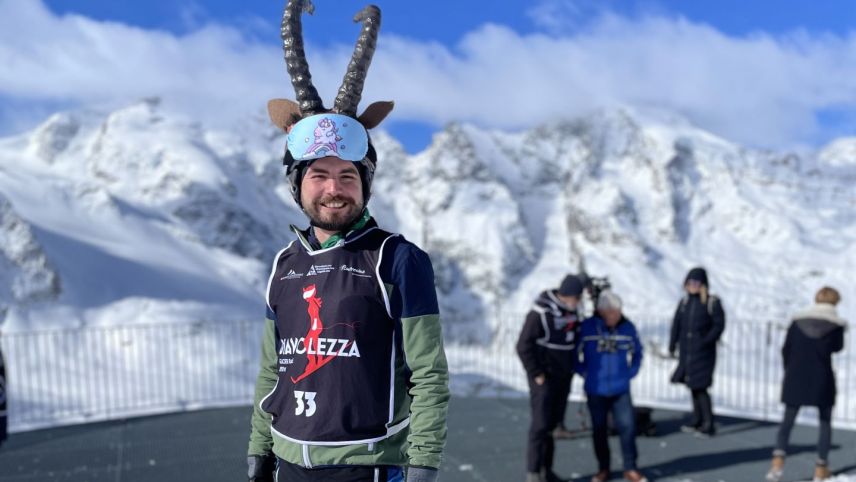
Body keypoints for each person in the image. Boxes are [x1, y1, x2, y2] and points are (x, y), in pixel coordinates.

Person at [247, 2, 449, 481]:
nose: (333, 189)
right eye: (318, 175)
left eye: (346, 175)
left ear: (365, 182)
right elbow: (271, 370)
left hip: (368, 468)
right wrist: (259, 447)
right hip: (289, 465)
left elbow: (428, 374)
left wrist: (422, 461)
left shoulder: (397, 259)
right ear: (297, 184)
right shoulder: (284, 264)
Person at [766, 287, 847, 482]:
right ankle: (821, 468)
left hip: (796, 375)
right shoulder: (835, 326)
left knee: (788, 421)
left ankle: (777, 463)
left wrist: (790, 369)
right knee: (825, 423)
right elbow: (837, 347)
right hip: (822, 376)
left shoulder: (797, 321)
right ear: (835, 303)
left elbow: (786, 348)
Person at [516, 274, 584, 482]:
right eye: (577, 298)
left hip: (563, 377)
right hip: (544, 378)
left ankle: (548, 470)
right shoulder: (540, 313)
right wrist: (536, 373)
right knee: (540, 424)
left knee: (553, 425)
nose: (579, 302)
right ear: (567, 295)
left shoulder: (572, 312)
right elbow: (523, 345)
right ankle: (534, 473)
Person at [576, 290, 646, 482]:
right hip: (595, 389)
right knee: (599, 430)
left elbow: (638, 352)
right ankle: (603, 469)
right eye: (609, 313)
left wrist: (630, 372)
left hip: (620, 389)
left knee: (628, 428)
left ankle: (630, 467)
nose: (614, 317)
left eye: (616, 312)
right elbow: (574, 353)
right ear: (600, 312)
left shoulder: (627, 328)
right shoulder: (587, 328)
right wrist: (583, 371)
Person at [668, 267, 725, 437]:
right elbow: (676, 324)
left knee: (701, 387)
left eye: (696, 283)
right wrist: (673, 344)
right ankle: (697, 419)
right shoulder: (684, 302)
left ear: (703, 285)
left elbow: (719, 325)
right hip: (688, 352)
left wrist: (706, 340)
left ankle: (708, 423)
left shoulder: (711, 302)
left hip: (704, 353)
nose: (692, 286)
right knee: (692, 385)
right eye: (690, 282)